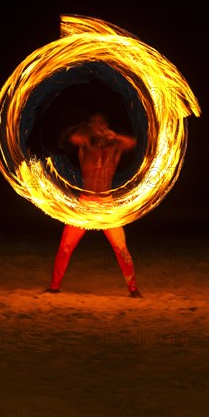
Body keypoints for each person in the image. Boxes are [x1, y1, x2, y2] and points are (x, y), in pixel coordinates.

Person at [44, 112, 143, 298]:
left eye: (101, 123)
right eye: (94, 124)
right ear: (90, 127)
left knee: (121, 248)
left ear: (107, 125)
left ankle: (133, 288)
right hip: (86, 203)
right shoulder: (86, 144)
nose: (98, 127)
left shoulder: (114, 146)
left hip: (107, 204)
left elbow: (132, 142)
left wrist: (113, 135)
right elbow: (72, 137)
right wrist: (90, 131)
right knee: (66, 245)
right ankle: (54, 286)